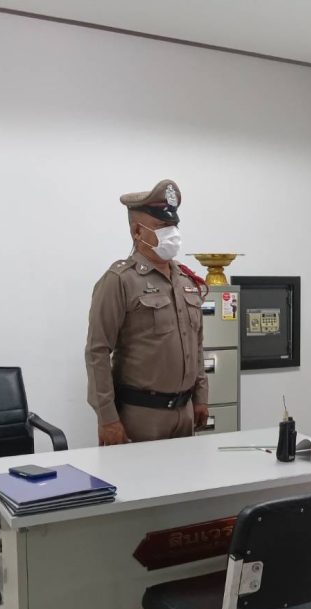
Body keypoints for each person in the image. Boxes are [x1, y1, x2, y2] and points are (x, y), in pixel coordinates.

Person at [85, 179, 210, 445]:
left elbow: (196, 345)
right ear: (137, 231)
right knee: (139, 473)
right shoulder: (120, 280)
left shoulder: (185, 281)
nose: (172, 233)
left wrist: (201, 397)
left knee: (187, 473)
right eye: (162, 227)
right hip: (141, 415)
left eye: (174, 226)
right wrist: (107, 418)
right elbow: (97, 352)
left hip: (185, 411)